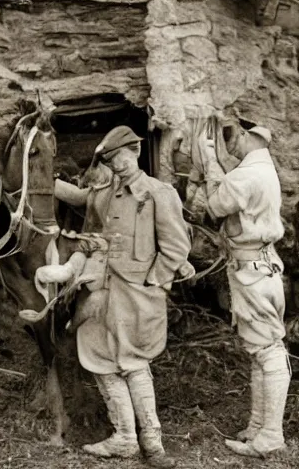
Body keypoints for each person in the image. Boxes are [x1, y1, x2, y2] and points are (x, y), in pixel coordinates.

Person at [54, 126, 192, 468]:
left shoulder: (158, 193)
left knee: (134, 364)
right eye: (111, 162)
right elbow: (83, 199)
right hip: (103, 293)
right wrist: (42, 180)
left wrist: (154, 283)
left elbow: (176, 248)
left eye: (121, 159)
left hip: (138, 296)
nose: (117, 167)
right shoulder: (106, 193)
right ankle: (124, 438)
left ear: (136, 152)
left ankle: (152, 442)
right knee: (100, 360)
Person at [199, 123, 290, 458]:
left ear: (254, 135)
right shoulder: (263, 170)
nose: (230, 144)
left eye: (232, 136)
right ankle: (258, 426)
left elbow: (213, 206)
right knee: (260, 351)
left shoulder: (245, 175)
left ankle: (270, 435)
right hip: (263, 267)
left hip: (252, 272)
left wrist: (208, 160)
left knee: (267, 351)